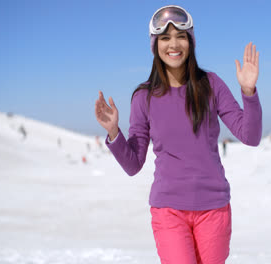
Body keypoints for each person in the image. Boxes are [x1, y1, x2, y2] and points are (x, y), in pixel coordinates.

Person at [94, 5, 262, 263]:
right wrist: (114, 132)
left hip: (213, 208)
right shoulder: (144, 97)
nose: (174, 44)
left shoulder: (211, 84)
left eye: (181, 36)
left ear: (191, 41)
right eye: (165, 38)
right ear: (155, 45)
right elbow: (133, 164)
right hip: (168, 211)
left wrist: (248, 92)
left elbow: (250, 136)